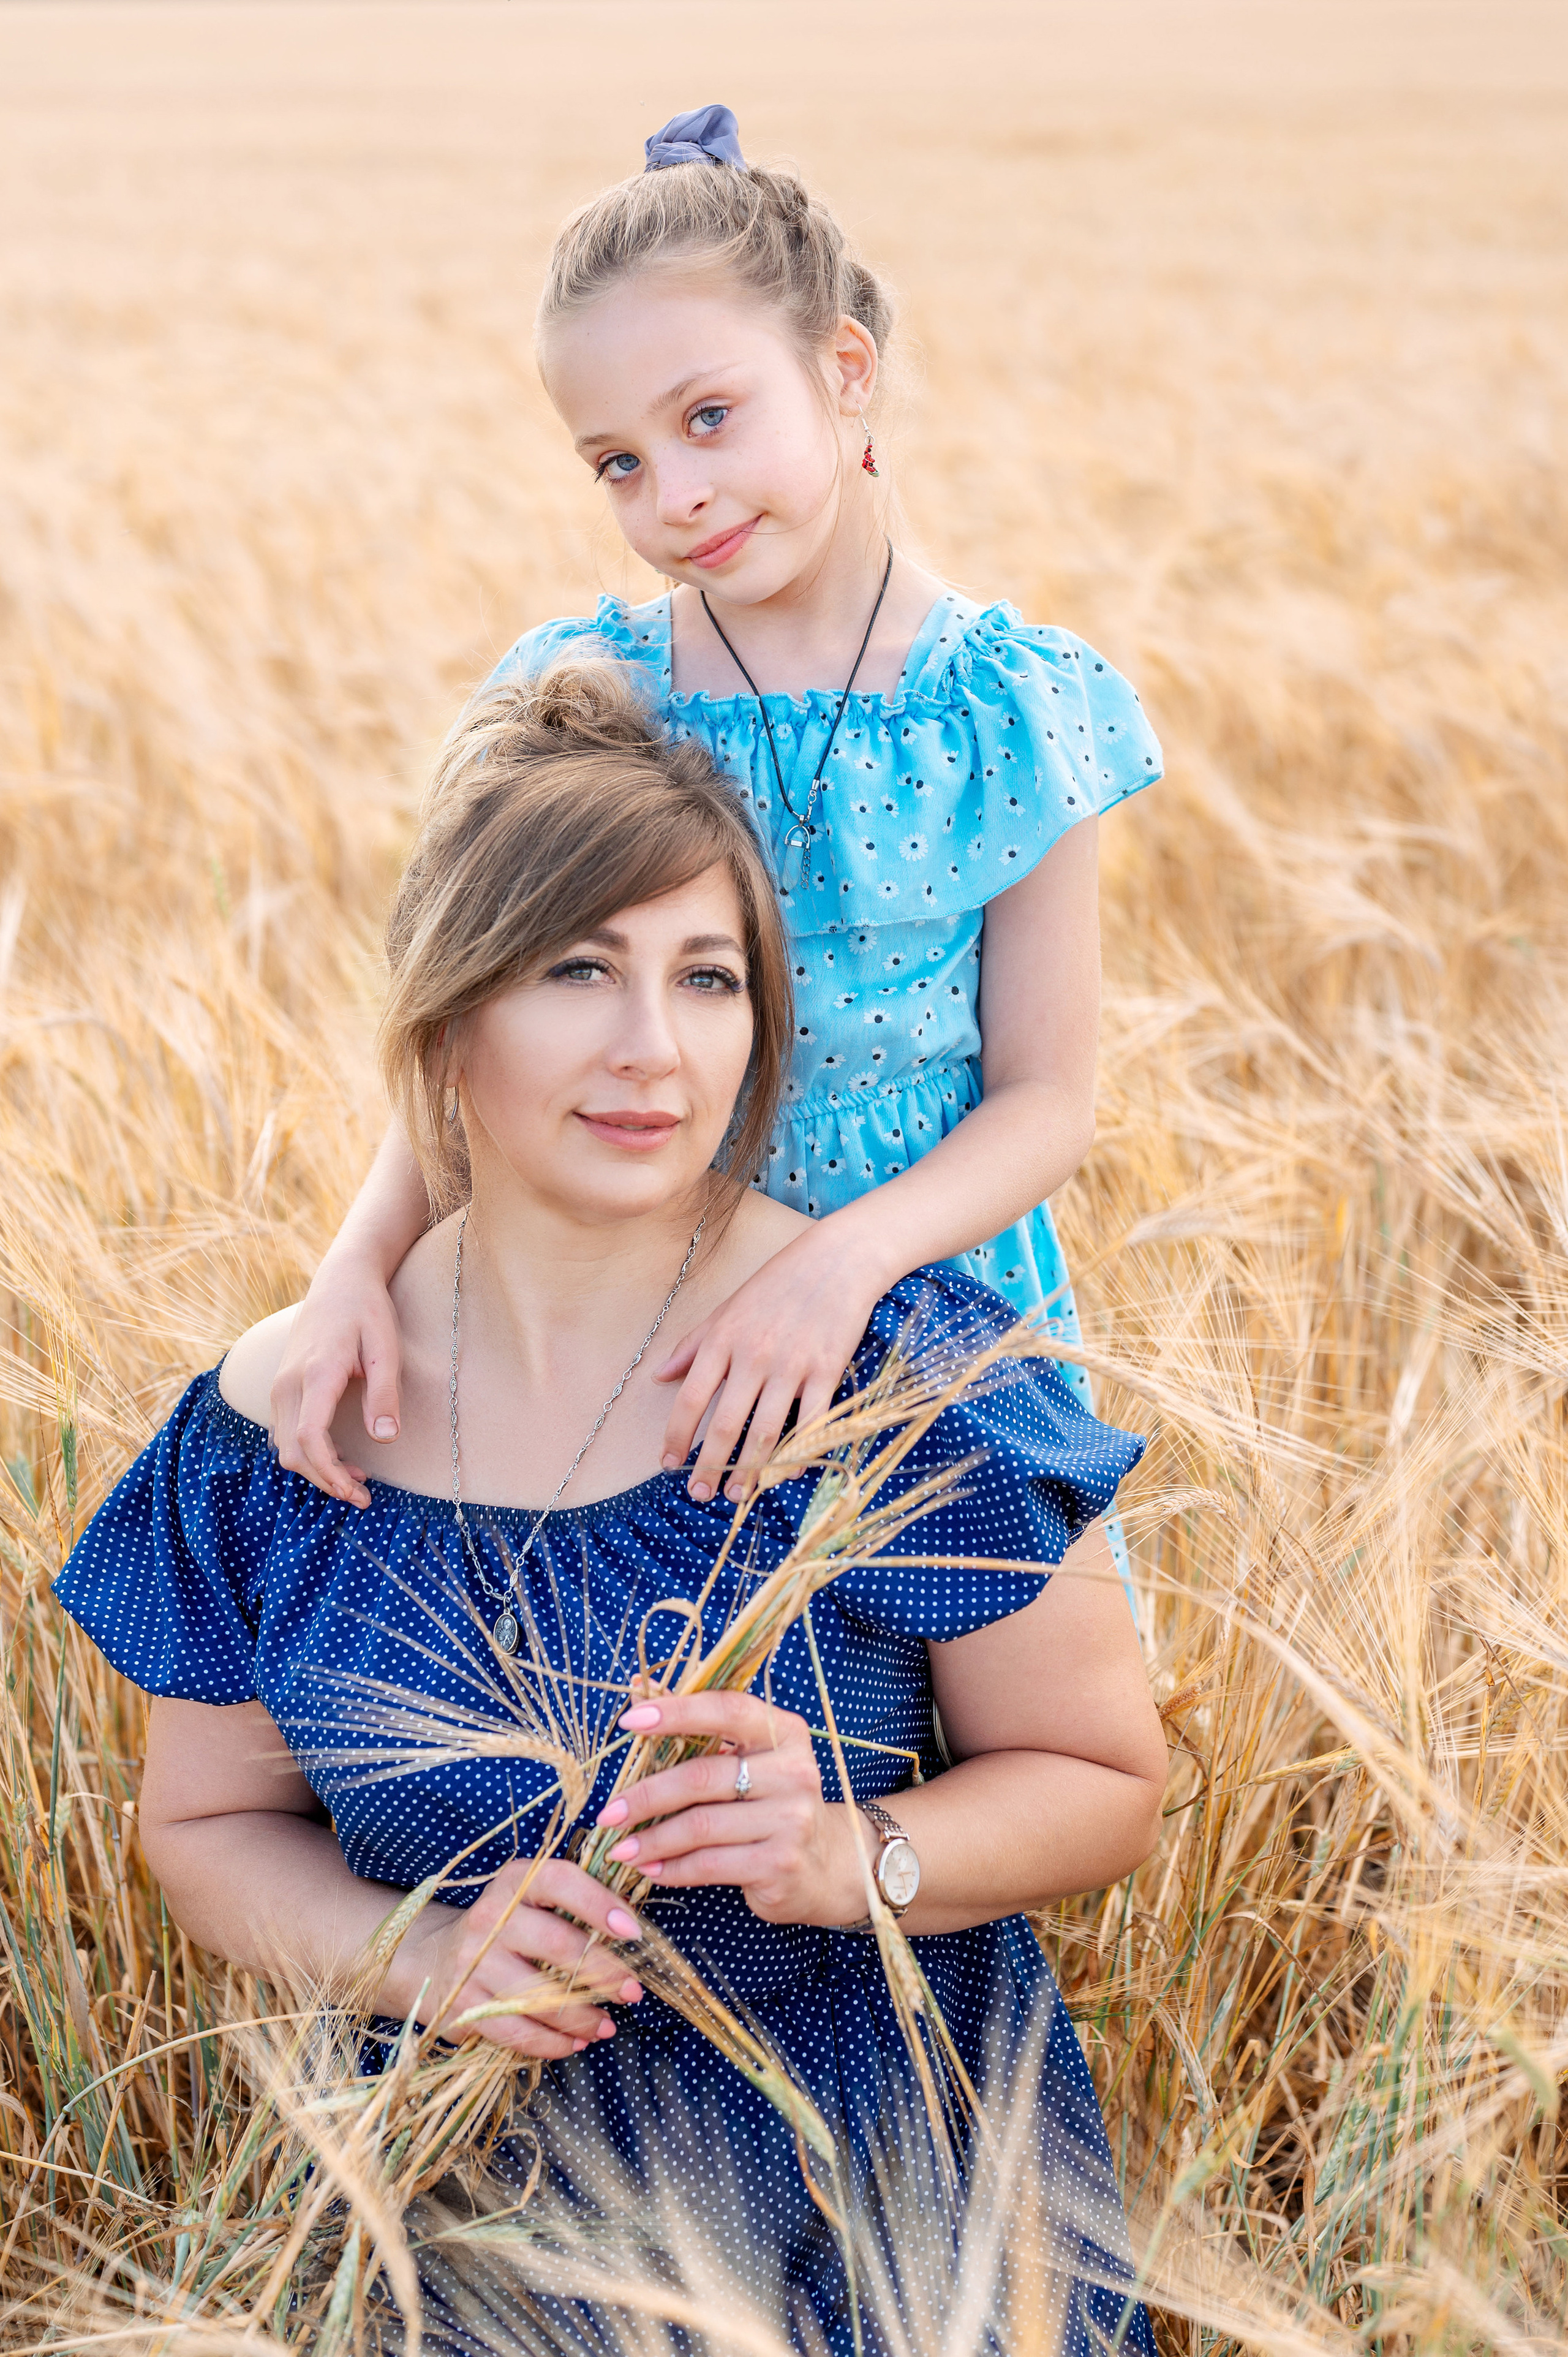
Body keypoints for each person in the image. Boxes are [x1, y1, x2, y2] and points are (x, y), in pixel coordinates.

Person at [55, 662, 1167, 2355]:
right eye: (581, 970)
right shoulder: (285, 1423)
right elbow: (203, 1831)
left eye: (706, 978)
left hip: (889, 2246)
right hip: (475, 2246)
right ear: (448, 1020)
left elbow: (1105, 1780)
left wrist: (850, 1852)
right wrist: (417, 1957)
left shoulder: (897, 1378)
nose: (655, 1048)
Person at [265, 105, 1164, 1618]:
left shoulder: (1011, 713)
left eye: (707, 420)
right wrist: (363, 1257)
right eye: (612, 461)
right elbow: (476, 1032)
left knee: (954, 1719)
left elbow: (1043, 1098)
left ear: (845, 373)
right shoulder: (592, 687)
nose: (668, 498)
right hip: (617, 1306)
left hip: (913, 1302)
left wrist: (838, 1271)